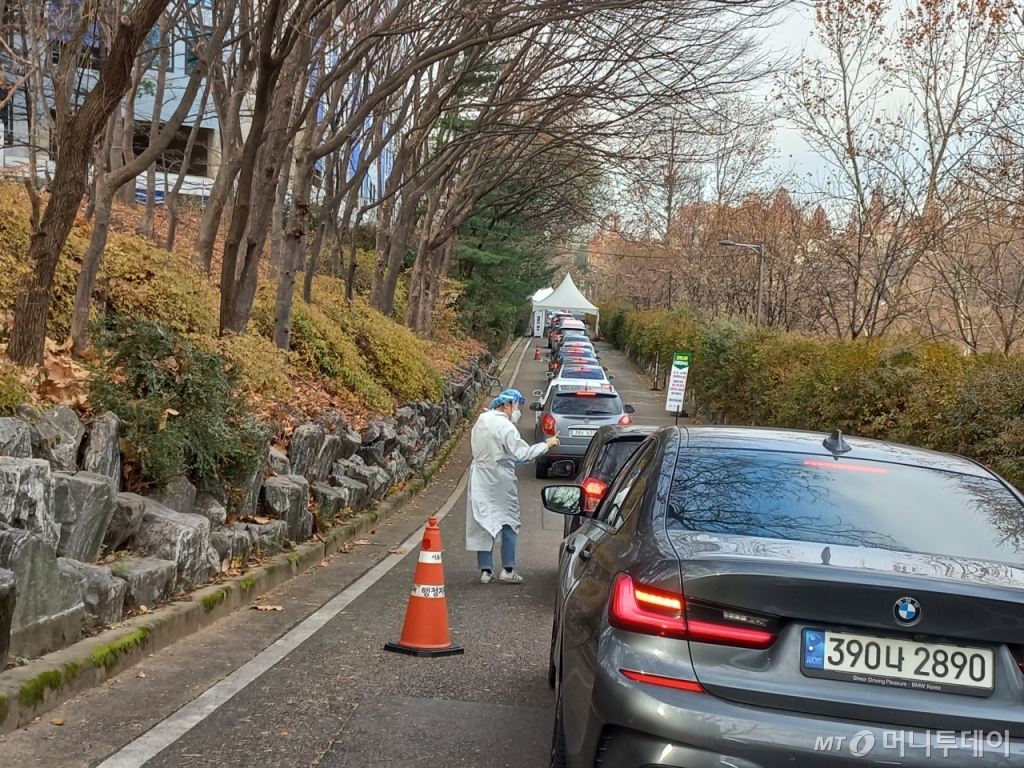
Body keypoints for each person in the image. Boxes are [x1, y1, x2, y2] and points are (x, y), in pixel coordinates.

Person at [466, 389, 560, 584]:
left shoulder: (482, 420)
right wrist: (547, 445)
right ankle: (508, 569)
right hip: (501, 479)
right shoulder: (505, 426)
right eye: (516, 406)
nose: (517, 411)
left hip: (480, 478)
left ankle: (485, 571)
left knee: (484, 519)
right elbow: (523, 453)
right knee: (509, 520)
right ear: (507, 404)